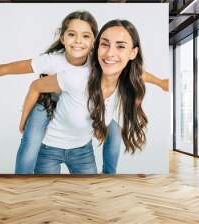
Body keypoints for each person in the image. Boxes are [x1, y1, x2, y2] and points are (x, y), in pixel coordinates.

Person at [0, 11, 167, 174]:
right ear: (63, 38)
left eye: (85, 36)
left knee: (114, 129)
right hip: (47, 101)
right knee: (31, 137)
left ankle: (108, 176)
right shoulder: (53, 62)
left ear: (93, 42)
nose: (78, 41)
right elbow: (8, 69)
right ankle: (21, 183)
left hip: (83, 108)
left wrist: (161, 82)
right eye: (72, 35)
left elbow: (137, 73)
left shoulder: (102, 60)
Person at [20, 19, 147, 174]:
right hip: (49, 149)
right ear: (97, 47)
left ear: (133, 52)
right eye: (105, 44)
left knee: (88, 196)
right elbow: (36, 86)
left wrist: (161, 83)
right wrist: (24, 123)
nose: (110, 53)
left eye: (120, 46)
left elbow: (140, 76)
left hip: (82, 151)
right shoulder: (76, 77)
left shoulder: (128, 88)